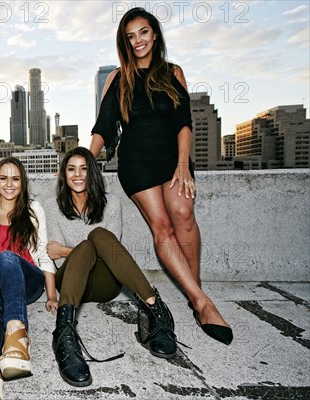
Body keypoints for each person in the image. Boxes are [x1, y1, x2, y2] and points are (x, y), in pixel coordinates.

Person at [90, 8, 232, 345]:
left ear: (154, 34)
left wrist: (184, 163)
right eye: (130, 36)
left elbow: (183, 122)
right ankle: (202, 302)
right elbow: (104, 128)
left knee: (183, 214)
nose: (138, 41)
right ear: (125, 43)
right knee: (163, 227)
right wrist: (81, 160)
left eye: (143, 32)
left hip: (172, 158)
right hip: (136, 162)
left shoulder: (172, 72)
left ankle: (192, 289)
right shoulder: (118, 78)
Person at [45, 147, 177, 387]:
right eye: (71, 169)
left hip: (106, 283)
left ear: (93, 173)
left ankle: (156, 311)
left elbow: (109, 251)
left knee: (99, 235)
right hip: (72, 283)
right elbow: (54, 256)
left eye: (84, 169)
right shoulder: (52, 207)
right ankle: (64, 334)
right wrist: (81, 250)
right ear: (64, 174)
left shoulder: (112, 203)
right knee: (87, 245)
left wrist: (68, 249)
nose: (78, 175)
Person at [0, 157, 57, 400]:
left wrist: (51, 294)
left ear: (22, 182)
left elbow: (44, 253)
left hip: (27, 280)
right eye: (3, 178)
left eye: (15, 179)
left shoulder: (34, 209)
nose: (9, 184)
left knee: (6, 258)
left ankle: (18, 338)